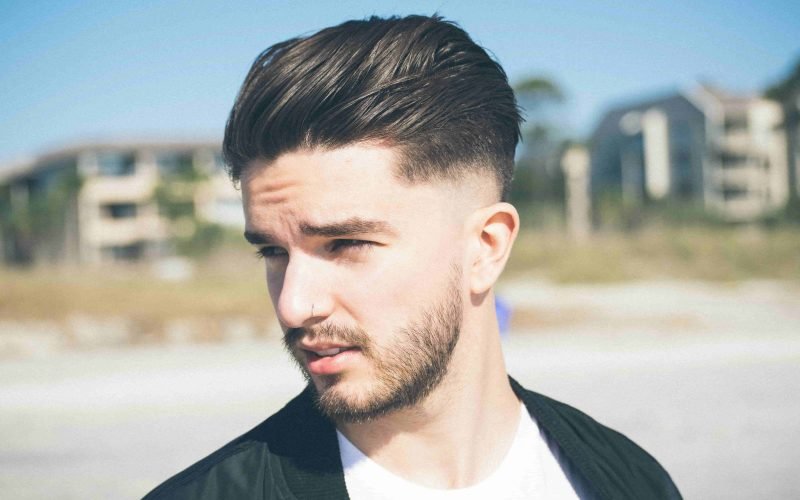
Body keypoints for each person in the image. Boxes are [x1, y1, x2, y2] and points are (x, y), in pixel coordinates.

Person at [144, 15, 681, 499]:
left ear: (485, 247)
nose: (293, 305)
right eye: (272, 252)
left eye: (345, 244)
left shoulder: (628, 480)